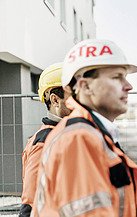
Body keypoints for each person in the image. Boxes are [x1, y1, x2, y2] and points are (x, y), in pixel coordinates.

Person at [32, 39, 137, 217]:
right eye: (117, 77)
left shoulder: (92, 133)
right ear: (85, 86)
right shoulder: (78, 139)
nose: (128, 86)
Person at [19, 63, 71, 217]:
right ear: (55, 100)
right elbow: (30, 202)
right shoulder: (45, 142)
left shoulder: (66, 135)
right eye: (74, 96)